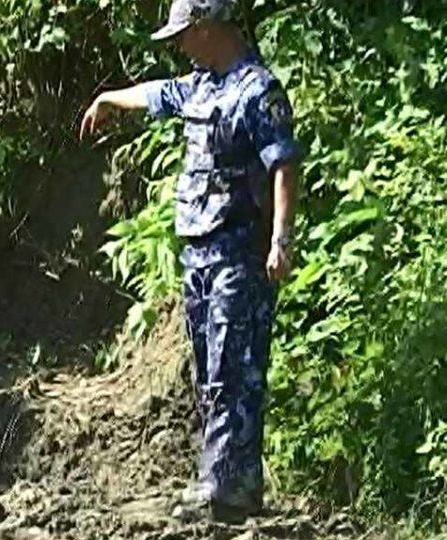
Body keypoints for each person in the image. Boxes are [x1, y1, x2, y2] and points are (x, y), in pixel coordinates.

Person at [79, 0, 302, 524]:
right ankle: (229, 483)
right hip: (199, 251)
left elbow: (284, 166)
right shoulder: (202, 84)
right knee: (210, 370)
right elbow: (155, 93)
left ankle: (224, 488)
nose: (179, 45)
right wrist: (109, 99)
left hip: (239, 251)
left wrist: (280, 241)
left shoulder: (258, 89)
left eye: (184, 34)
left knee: (233, 368)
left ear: (206, 28)